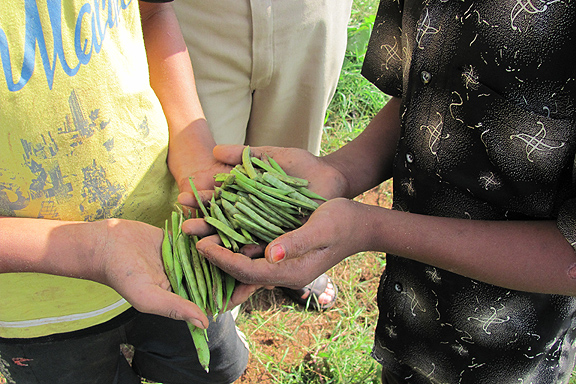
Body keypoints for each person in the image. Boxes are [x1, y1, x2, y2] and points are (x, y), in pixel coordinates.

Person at [184, 1, 576, 383]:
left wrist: (372, 229)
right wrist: (339, 171)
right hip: (407, 310)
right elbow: (424, 91)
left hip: (510, 349)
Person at [0, 1, 247, 383]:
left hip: (173, 246)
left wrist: (194, 155)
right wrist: (94, 250)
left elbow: (152, 13)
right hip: (34, 312)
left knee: (211, 370)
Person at [172, 0, 353, 309]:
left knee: (294, 159)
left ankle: (288, 250)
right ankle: (218, 294)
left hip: (310, 12)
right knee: (208, 178)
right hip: (197, 16)